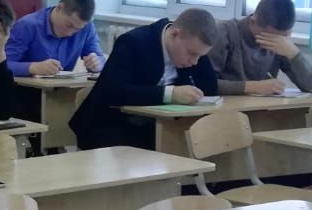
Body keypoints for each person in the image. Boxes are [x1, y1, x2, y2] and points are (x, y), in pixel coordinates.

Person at [70, 9, 219, 151]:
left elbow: (210, 87)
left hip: (155, 126)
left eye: (200, 56)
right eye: (192, 54)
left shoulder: (192, 49)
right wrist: (170, 94)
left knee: (198, 141)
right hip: (110, 125)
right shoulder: (133, 42)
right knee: (170, 149)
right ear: (175, 34)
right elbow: (114, 92)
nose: (195, 61)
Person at [207, 0, 312, 96]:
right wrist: (252, 87)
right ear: (253, 21)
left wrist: (294, 53)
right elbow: (204, 83)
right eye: (271, 36)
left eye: (284, 36)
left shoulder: (282, 44)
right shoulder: (224, 33)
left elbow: (310, 87)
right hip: (226, 108)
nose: (277, 40)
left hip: (262, 107)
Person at [4, 0, 104, 78]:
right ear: (59, 8)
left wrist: (97, 63)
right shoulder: (27, 26)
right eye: (69, 25)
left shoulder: (87, 28)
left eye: (77, 29)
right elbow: (3, 65)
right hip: (25, 89)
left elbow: (99, 57)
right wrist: (33, 67)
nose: (70, 33)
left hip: (62, 88)